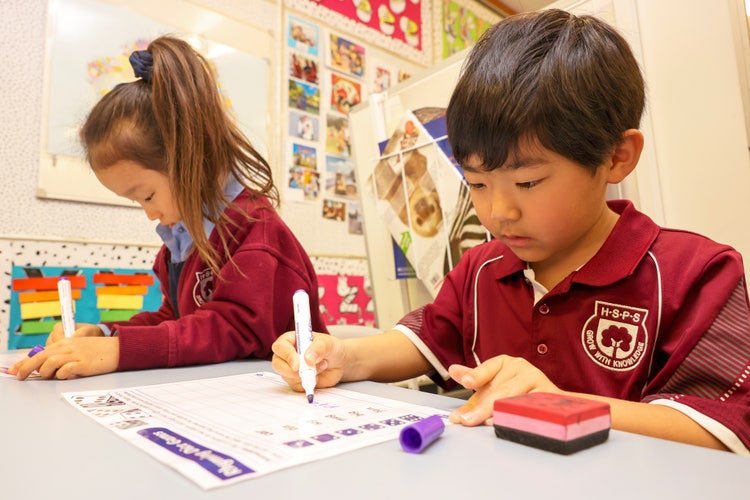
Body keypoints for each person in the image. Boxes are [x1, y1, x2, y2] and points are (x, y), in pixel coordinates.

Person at [271, 9, 750, 453]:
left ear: (616, 157)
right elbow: (428, 339)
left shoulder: (696, 273)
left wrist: (560, 403)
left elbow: (722, 429)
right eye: (476, 183)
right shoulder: (484, 268)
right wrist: (342, 357)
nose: (498, 212)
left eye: (528, 182)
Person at [11, 35, 327, 381]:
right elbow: (174, 319)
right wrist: (105, 333)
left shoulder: (255, 232)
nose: (149, 214)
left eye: (147, 196)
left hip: (285, 402)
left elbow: (233, 329)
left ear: (188, 158)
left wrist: (120, 351)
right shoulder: (182, 240)